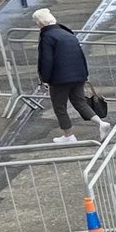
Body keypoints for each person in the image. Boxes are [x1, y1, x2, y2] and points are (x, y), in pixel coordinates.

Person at [32, 8, 108, 143]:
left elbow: (46, 61)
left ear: (40, 24)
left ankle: (69, 135)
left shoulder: (47, 37)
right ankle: (100, 123)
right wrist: (84, 74)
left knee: (59, 106)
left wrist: (45, 80)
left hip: (60, 79)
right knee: (80, 102)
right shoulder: (67, 33)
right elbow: (80, 55)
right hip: (78, 75)